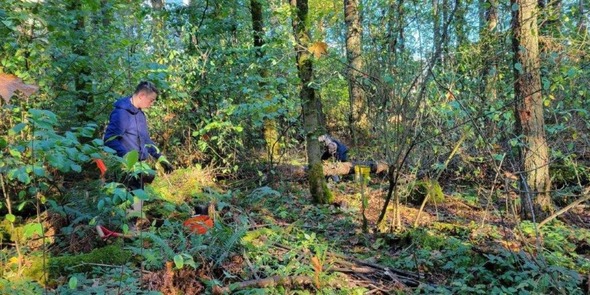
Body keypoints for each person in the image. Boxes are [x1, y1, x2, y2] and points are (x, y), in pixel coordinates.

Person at [103, 81, 173, 229]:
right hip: (125, 167)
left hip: (139, 167)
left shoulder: (140, 115)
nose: (152, 103)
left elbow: (146, 140)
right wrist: (129, 159)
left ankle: (132, 233)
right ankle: (125, 237)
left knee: (137, 203)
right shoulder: (120, 113)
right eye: (151, 100)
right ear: (141, 95)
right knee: (126, 203)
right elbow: (109, 140)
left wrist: (160, 157)